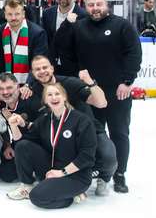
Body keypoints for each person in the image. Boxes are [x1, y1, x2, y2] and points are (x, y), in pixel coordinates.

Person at [66, 0, 141, 194]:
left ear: (106, 5)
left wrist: (127, 81)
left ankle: (120, 173)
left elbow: (134, 54)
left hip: (117, 92)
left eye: (99, 4)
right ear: (85, 7)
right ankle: (99, 171)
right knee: (92, 134)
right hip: (89, 93)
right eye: (91, 5)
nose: (95, 8)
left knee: (119, 132)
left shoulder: (122, 25)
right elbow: (69, 55)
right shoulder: (79, 27)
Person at [27, 55, 116, 196]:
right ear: (32, 73)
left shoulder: (70, 83)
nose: (42, 71)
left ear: (52, 68)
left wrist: (90, 82)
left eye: (45, 67)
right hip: (60, 137)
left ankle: (103, 178)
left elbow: (101, 103)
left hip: (88, 131)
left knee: (108, 156)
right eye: (37, 69)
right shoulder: (33, 90)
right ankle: (64, 177)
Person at [7, 83, 96, 209]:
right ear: (45, 100)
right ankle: (26, 186)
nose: (54, 97)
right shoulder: (44, 120)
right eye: (49, 95)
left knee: (37, 197)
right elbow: (21, 145)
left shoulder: (82, 120)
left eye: (57, 94)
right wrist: (14, 126)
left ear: (64, 97)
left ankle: (70, 196)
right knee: (23, 145)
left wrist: (62, 173)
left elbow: (87, 157)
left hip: (75, 176)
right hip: (51, 171)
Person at [0, 0, 48, 84]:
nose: (13, 18)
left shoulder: (38, 33)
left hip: (31, 83)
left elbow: (38, 63)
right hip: (6, 83)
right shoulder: (0, 31)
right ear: (5, 14)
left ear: (23, 14)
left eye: (17, 14)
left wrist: (28, 85)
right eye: (10, 14)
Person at [40, 0, 85, 70]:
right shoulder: (47, 13)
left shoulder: (83, 16)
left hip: (75, 70)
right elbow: (46, 41)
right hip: (52, 68)